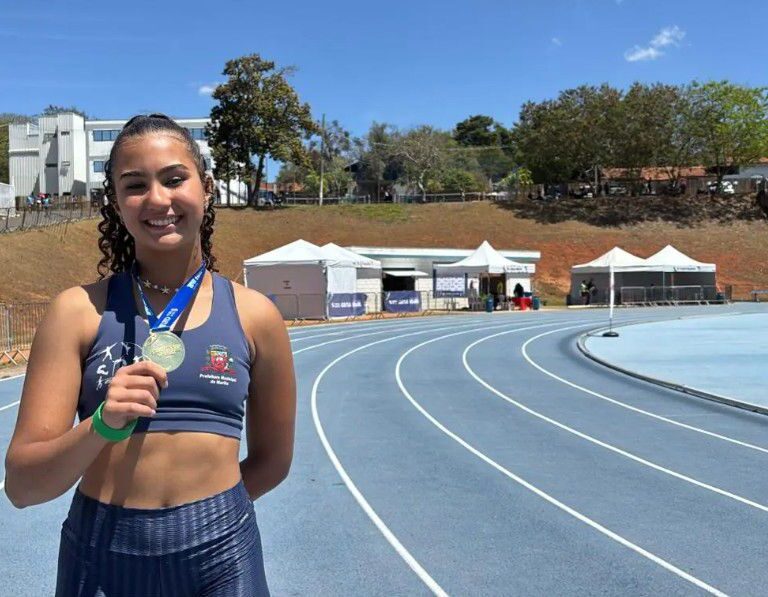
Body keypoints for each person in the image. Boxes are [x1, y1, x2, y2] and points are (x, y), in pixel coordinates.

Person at [4, 114, 296, 596]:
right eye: (135, 185)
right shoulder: (78, 312)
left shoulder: (256, 316)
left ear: (206, 188)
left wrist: (211, 516)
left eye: (175, 179)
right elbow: (23, 486)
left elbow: (273, 461)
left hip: (222, 552)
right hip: (102, 550)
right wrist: (99, 425)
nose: (158, 199)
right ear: (116, 203)